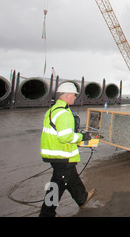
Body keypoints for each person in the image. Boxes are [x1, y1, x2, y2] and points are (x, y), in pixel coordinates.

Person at [39, 82, 95, 217]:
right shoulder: (64, 113)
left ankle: (82, 198)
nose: (75, 98)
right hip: (62, 155)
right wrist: (82, 136)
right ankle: (46, 213)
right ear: (67, 95)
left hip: (54, 153)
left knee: (71, 177)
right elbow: (65, 137)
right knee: (57, 185)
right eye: (74, 95)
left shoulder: (53, 110)